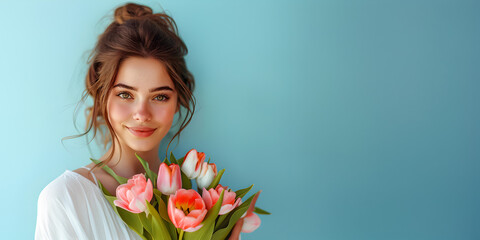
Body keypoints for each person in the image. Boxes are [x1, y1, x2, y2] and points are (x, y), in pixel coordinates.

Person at [35, 3, 196, 239]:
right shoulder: (66, 200)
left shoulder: (200, 203)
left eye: (159, 96)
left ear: (178, 102)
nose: (142, 113)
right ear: (102, 96)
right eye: (125, 94)